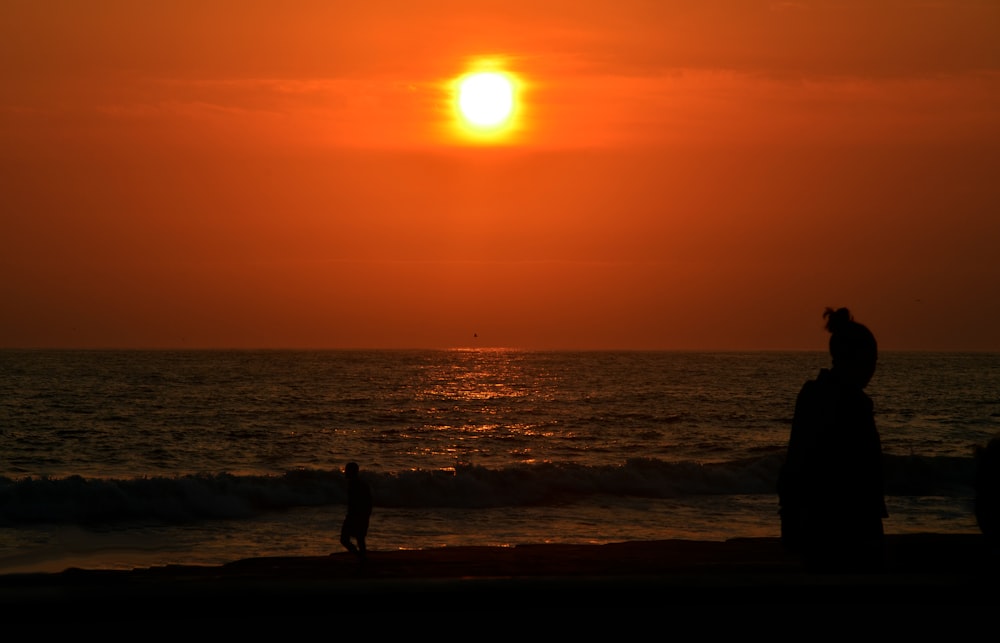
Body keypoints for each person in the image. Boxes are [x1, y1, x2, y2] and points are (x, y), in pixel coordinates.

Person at [777, 307, 888, 573]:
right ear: (853, 359)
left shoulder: (815, 395)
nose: (873, 368)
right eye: (871, 360)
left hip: (819, 521)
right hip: (841, 522)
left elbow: (794, 461)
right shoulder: (849, 404)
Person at [340, 461, 373, 563]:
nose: (345, 472)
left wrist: (361, 515)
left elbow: (364, 502)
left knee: (348, 539)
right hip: (359, 515)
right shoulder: (358, 484)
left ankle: (361, 557)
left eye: (347, 470)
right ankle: (361, 557)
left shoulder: (356, 485)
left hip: (356, 516)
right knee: (359, 538)